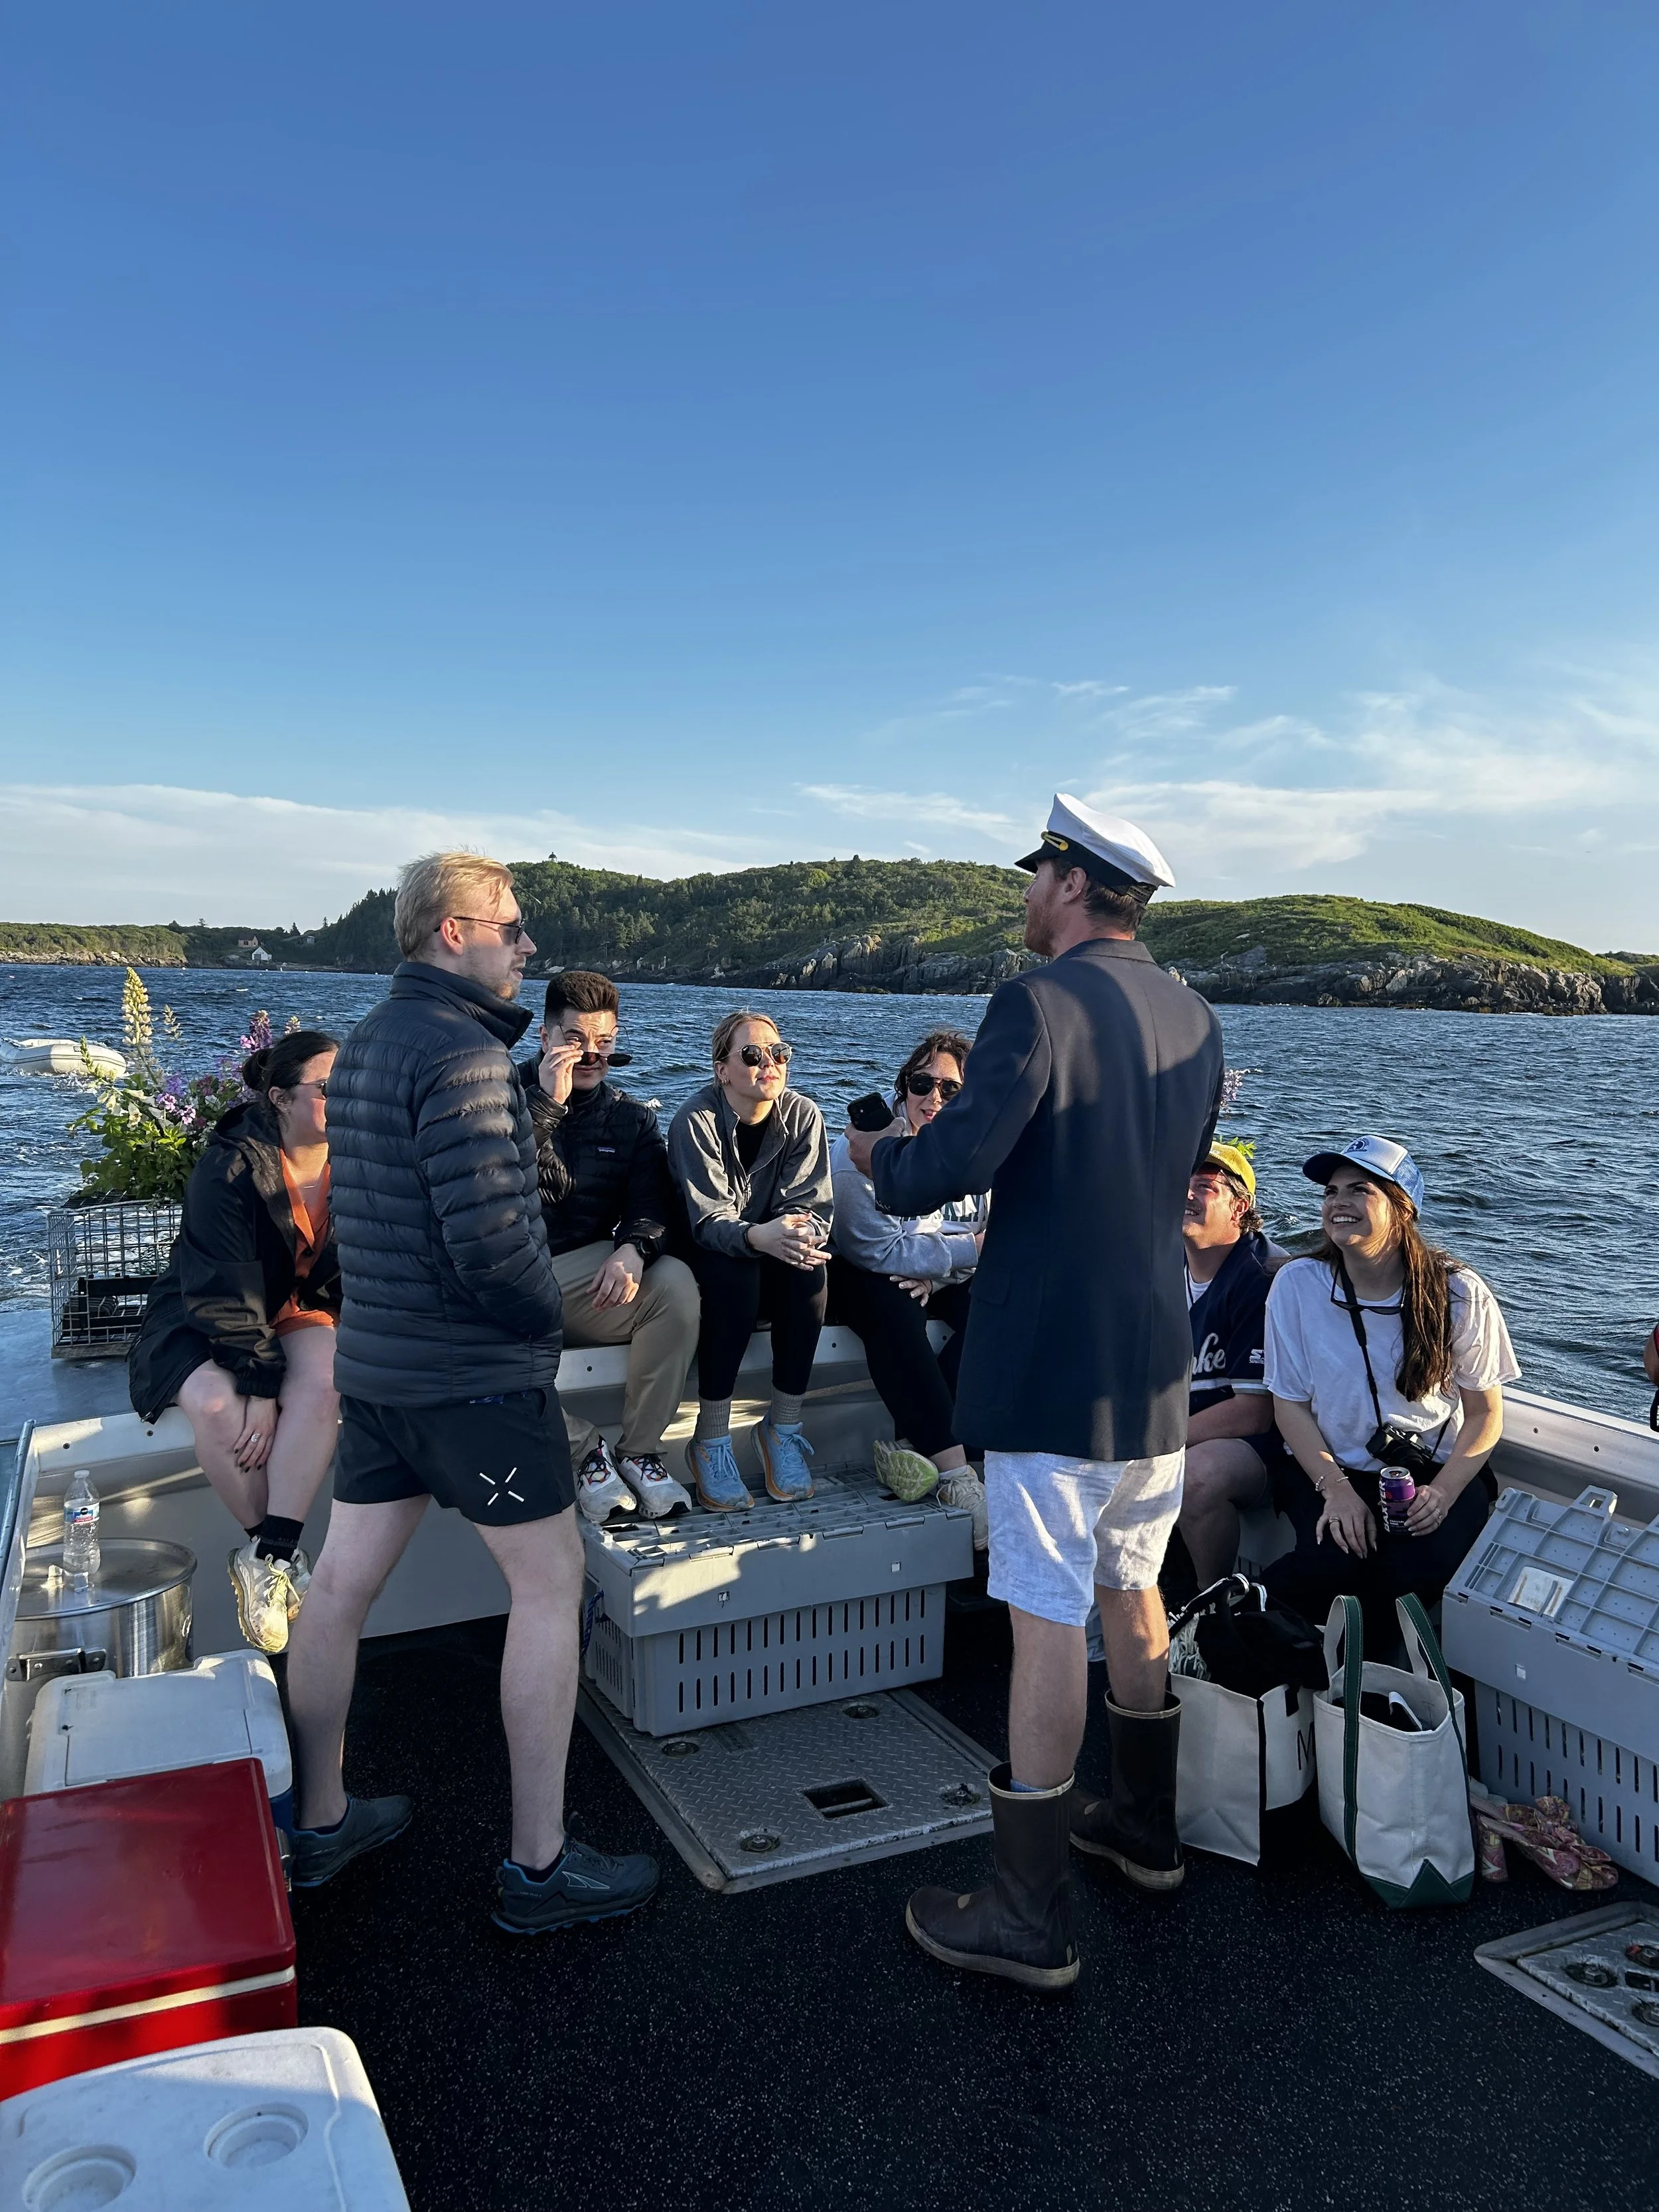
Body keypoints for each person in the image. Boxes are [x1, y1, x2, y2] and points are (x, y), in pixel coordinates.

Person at [848, 793, 1223, 1990]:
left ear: (1070, 881)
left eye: (1034, 874)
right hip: (1154, 1360)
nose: (1024, 893)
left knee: (1045, 1612)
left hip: (1052, 1367)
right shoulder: (1196, 1016)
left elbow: (949, 1163)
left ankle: (1026, 1909)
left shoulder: (1037, 1002)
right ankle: (1146, 1830)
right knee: (1133, 1587)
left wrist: (876, 1159)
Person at [283, 851, 657, 1933]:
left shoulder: (359, 1053)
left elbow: (352, 1219)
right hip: (476, 1385)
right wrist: (550, 1316)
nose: (526, 943)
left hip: (382, 1373)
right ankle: (538, 1869)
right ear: (454, 931)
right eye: (511, 925)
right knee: (549, 1587)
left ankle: (320, 1819)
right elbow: (497, 1250)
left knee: (341, 1585)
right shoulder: (468, 1060)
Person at [129, 1029, 342, 1655]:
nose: (349, 1098)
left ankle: (267, 1557)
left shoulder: (356, 1157)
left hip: (294, 1307)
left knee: (329, 1379)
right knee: (219, 1408)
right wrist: (259, 1384)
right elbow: (225, 1290)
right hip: (202, 1311)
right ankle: (272, 1555)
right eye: (330, 1088)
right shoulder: (230, 1165)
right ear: (279, 1098)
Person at [1262, 1136, 1519, 1657]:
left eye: (1360, 1190)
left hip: (1430, 1472)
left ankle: (1359, 1698)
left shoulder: (1459, 1293)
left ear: (1403, 1209)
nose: (1339, 1203)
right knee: (1333, 1560)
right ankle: (1256, 1636)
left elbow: (1485, 1415)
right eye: (1332, 1191)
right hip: (1329, 1465)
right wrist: (1335, 1489)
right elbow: (1288, 1405)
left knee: (1409, 1570)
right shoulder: (1298, 1285)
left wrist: (1443, 1495)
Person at [524, 970, 697, 1522]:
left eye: (605, 1042)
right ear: (546, 1039)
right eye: (576, 1040)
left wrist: (634, 1248)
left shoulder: (630, 1118)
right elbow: (489, 1181)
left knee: (673, 1285)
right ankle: (585, 1450)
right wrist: (546, 1107)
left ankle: (639, 1452)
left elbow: (655, 1206)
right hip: (504, 1275)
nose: (592, 1054)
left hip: (583, 1279)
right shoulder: (499, 1096)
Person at [667, 1011, 832, 1510]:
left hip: (772, 1242)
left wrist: (795, 1237)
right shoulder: (694, 1120)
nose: (770, 1064)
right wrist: (758, 1235)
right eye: (753, 1055)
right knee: (735, 1276)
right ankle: (710, 1441)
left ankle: (782, 1430)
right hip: (708, 1249)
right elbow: (708, 1220)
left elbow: (812, 1205)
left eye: (779, 1053)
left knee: (811, 1274)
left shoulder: (804, 1116)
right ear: (722, 1069)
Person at [828, 1027, 988, 1539]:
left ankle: (922, 1444)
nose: (933, 1098)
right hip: (855, 1273)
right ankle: (957, 1475)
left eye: (951, 1090)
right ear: (902, 1087)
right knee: (895, 1302)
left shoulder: (981, 1155)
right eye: (922, 1083)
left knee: (1006, 1303)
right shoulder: (863, 1153)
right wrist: (968, 1251)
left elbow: (1001, 1238)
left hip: (930, 1271)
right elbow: (879, 1250)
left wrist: (941, 1274)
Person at [1169, 1142, 1284, 1588]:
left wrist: (1157, 1441)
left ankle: (1210, 1611)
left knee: (1196, 1478)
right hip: (1186, 1426)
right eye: (1182, 1183)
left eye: (1205, 1186)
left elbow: (1254, 1411)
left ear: (1241, 1207)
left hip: (1265, 1446)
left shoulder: (1263, 1276)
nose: (1188, 1194)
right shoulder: (1164, 1266)